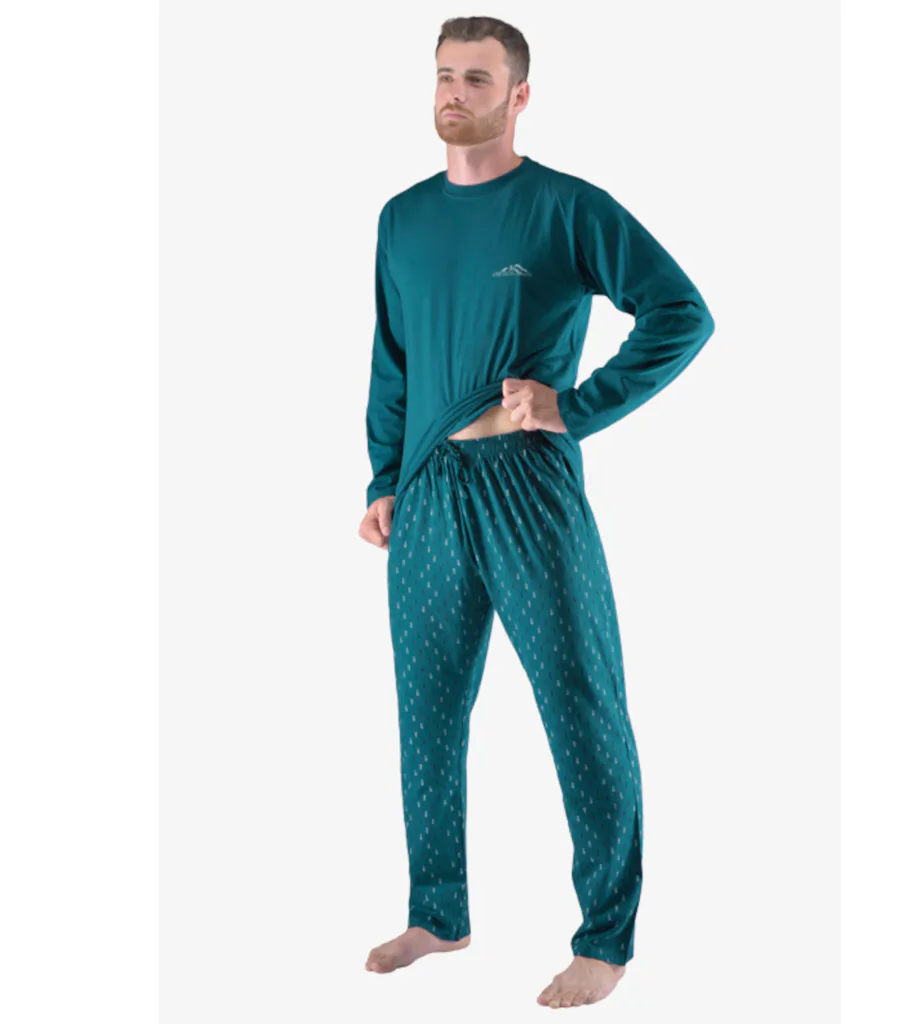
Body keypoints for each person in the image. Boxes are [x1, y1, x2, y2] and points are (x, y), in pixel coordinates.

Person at [357, 16, 714, 1010]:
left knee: (581, 703)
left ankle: (606, 937)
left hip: (528, 485)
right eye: (444, 75)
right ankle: (439, 912)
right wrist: (383, 479)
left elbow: (681, 313)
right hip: (427, 493)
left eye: (477, 78)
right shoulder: (401, 217)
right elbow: (393, 358)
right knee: (427, 710)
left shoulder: (565, 207)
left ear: (519, 96)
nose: (454, 92)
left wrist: (576, 406)